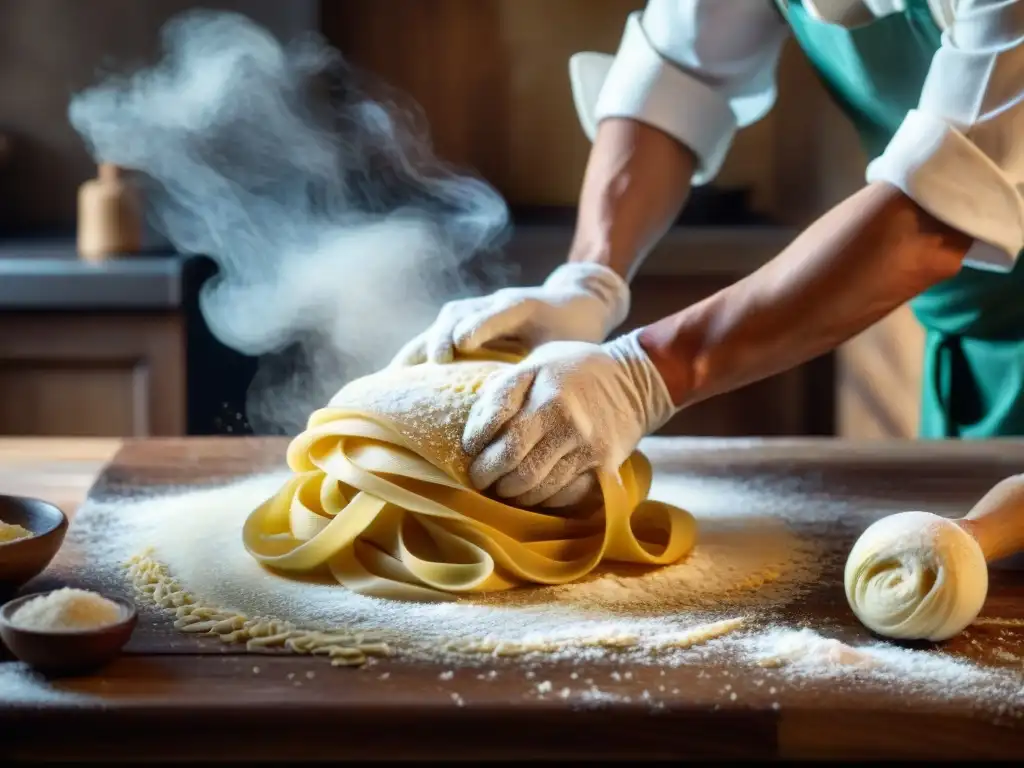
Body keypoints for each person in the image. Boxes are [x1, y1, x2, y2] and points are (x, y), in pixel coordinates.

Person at [391, 0, 1024, 510]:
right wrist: (588, 279)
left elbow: (933, 214)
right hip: (975, 341)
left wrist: (645, 375)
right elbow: (677, 77)